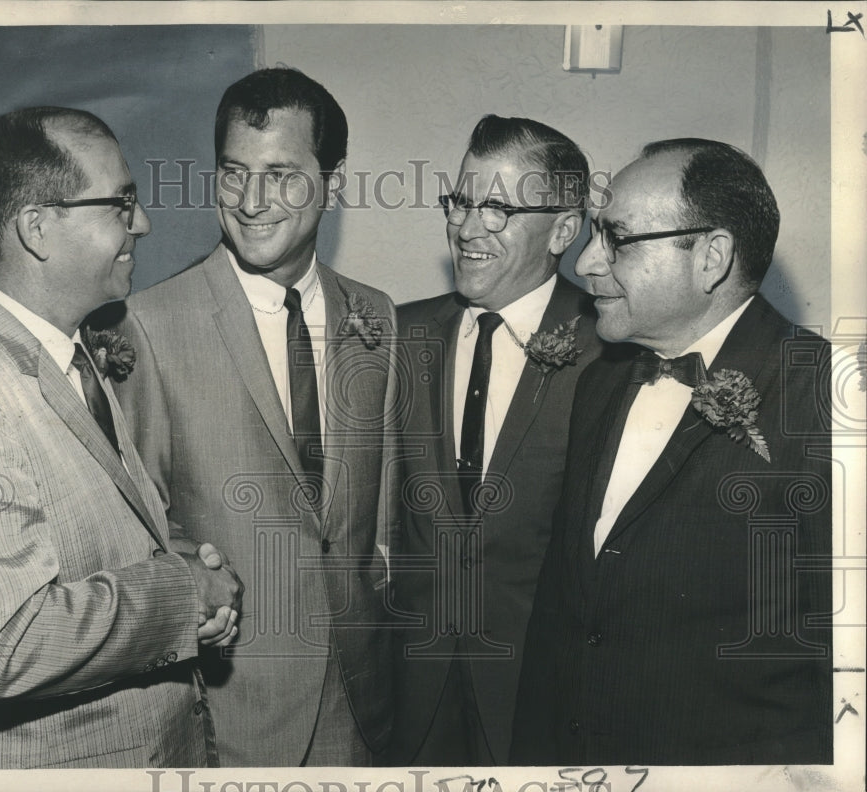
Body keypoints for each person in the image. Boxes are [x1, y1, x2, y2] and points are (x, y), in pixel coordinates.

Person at [0, 106, 242, 769]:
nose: (141, 223)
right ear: (37, 228)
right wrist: (183, 594)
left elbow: (92, 536)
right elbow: (1, 643)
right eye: (121, 203)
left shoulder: (66, 355)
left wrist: (184, 569)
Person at [108, 68, 398, 766]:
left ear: (332, 183)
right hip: (231, 714)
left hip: (365, 704)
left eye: (282, 174)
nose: (252, 200)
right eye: (234, 172)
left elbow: (375, 516)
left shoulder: (376, 316)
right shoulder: (148, 325)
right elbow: (137, 534)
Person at [510, 139, 832, 765]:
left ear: (711, 257)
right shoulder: (601, 377)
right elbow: (565, 611)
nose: (586, 265)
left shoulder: (830, 399)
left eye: (618, 239)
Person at [387, 115, 605, 766]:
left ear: (563, 230)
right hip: (410, 693)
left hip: (540, 701)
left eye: (498, 208)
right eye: (460, 202)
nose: (466, 226)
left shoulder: (609, 352)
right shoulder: (401, 334)